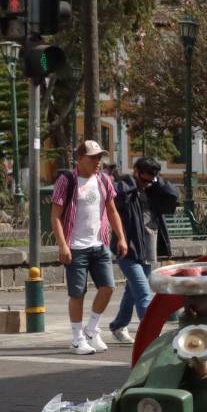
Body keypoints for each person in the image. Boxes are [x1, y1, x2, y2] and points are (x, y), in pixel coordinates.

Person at [51, 140, 128, 355]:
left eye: (99, 157)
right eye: (93, 157)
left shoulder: (104, 179)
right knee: (78, 293)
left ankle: (92, 329)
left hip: (99, 243)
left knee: (108, 287)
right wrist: (63, 245)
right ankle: (77, 339)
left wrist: (121, 237)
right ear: (80, 158)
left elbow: (112, 211)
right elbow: (55, 216)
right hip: (75, 247)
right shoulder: (67, 181)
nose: (98, 161)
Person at [108, 158, 179, 343]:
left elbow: (173, 195)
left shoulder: (153, 190)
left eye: (150, 179)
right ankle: (151, 336)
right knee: (143, 292)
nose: (146, 183)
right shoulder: (125, 187)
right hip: (127, 249)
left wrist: (157, 181)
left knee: (132, 291)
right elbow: (116, 196)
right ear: (136, 172)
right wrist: (134, 182)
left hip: (148, 249)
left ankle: (118, 325)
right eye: (143, 179)